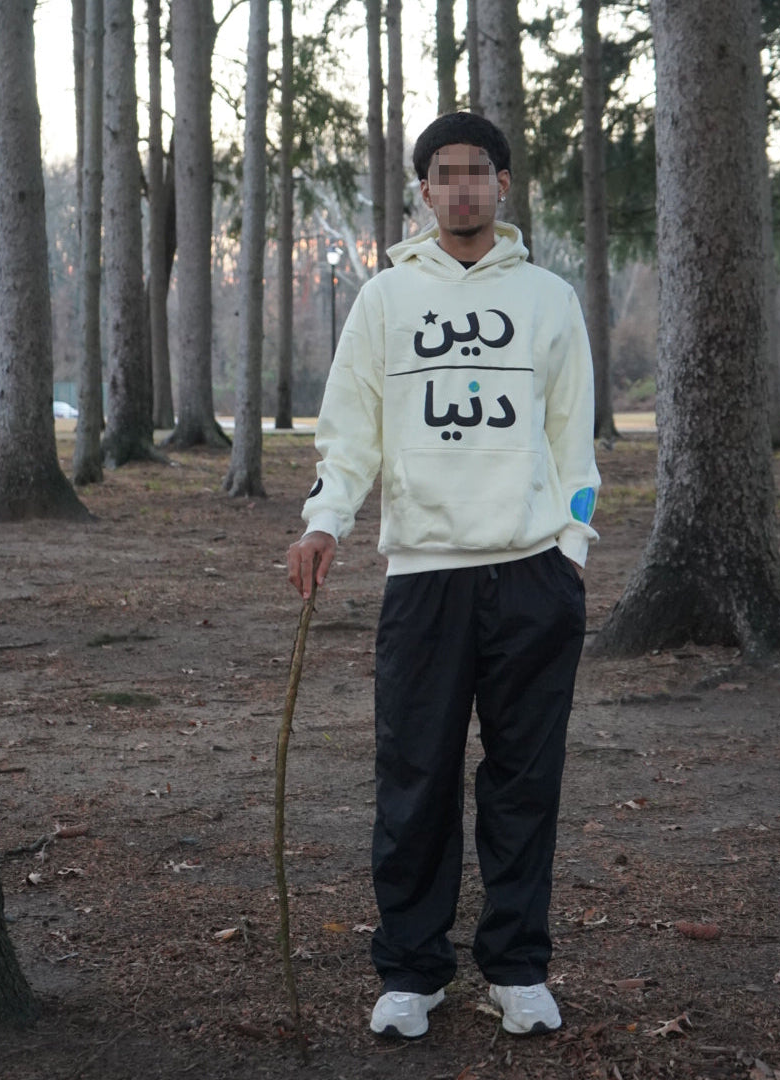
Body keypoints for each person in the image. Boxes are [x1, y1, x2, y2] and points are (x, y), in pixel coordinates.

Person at [287, 112, 600, 1040]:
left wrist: (571, 550)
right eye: (445, 173)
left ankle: (517, 967)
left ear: (503, 184)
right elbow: (351, 429)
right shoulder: (386, 300)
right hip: (424, 578)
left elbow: (573, 438)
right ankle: (411, 971)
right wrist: (324, 521)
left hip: (532, 574)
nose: (462, 186)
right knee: (414, 776)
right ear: (423, 191)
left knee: (523, 779)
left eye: (478, 170)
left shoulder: (548, 298)